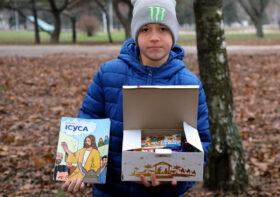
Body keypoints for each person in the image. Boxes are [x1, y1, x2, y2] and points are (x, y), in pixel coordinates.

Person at [62, 0, 211, 196]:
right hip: (111, 191)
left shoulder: (189, 83)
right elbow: (89, 119)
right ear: (135, 34)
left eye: (163, 29)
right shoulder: (109, 73)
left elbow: (201, 140)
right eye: (145, 29)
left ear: (174, 34)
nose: (154, 37)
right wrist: (78, 170)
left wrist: (180, 176)